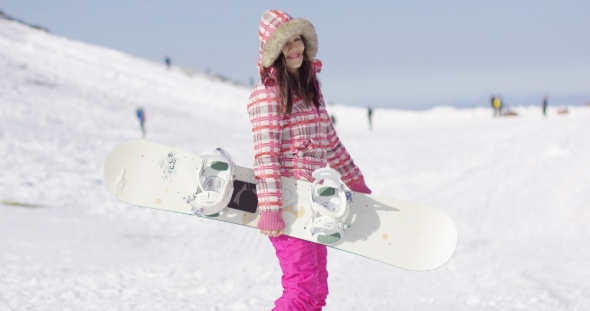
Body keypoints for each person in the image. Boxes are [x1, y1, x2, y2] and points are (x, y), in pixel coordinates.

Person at [247, 10, 372, 311]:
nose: (295, 47)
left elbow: (329, 140)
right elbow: (266, 156)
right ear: (275, 52)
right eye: (286, 42)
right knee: (301, 290)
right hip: (288, 204)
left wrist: (354, 179)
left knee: (317, 292)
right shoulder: (266, 96)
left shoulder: (311, 90)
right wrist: (271, 208)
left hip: (315, 202)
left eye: (298, 39)